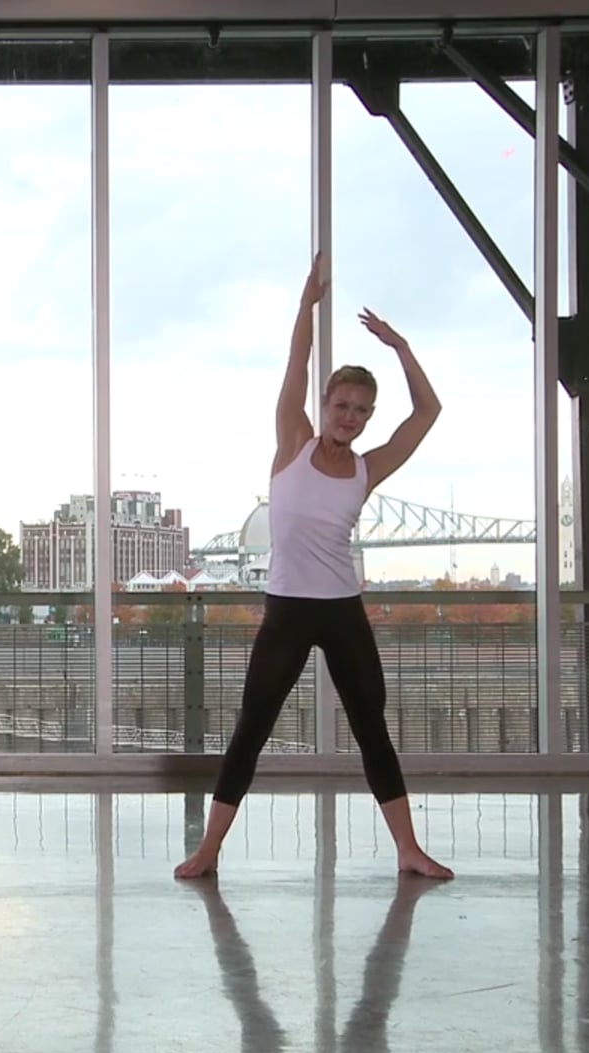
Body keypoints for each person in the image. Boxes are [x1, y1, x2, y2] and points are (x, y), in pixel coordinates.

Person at [174, 253, 453, 881]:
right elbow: (295, 363)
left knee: (371, 729)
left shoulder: (366, 469)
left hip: (342, 611)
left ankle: (409, 850)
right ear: (324, 405)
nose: (349, 417)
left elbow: (428, 413)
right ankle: (208, 851)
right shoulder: (291, 441)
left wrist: (402, 345)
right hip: (288, 611)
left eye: (361, 410)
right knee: (251, 728)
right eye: (342, 405)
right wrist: (306, 302)